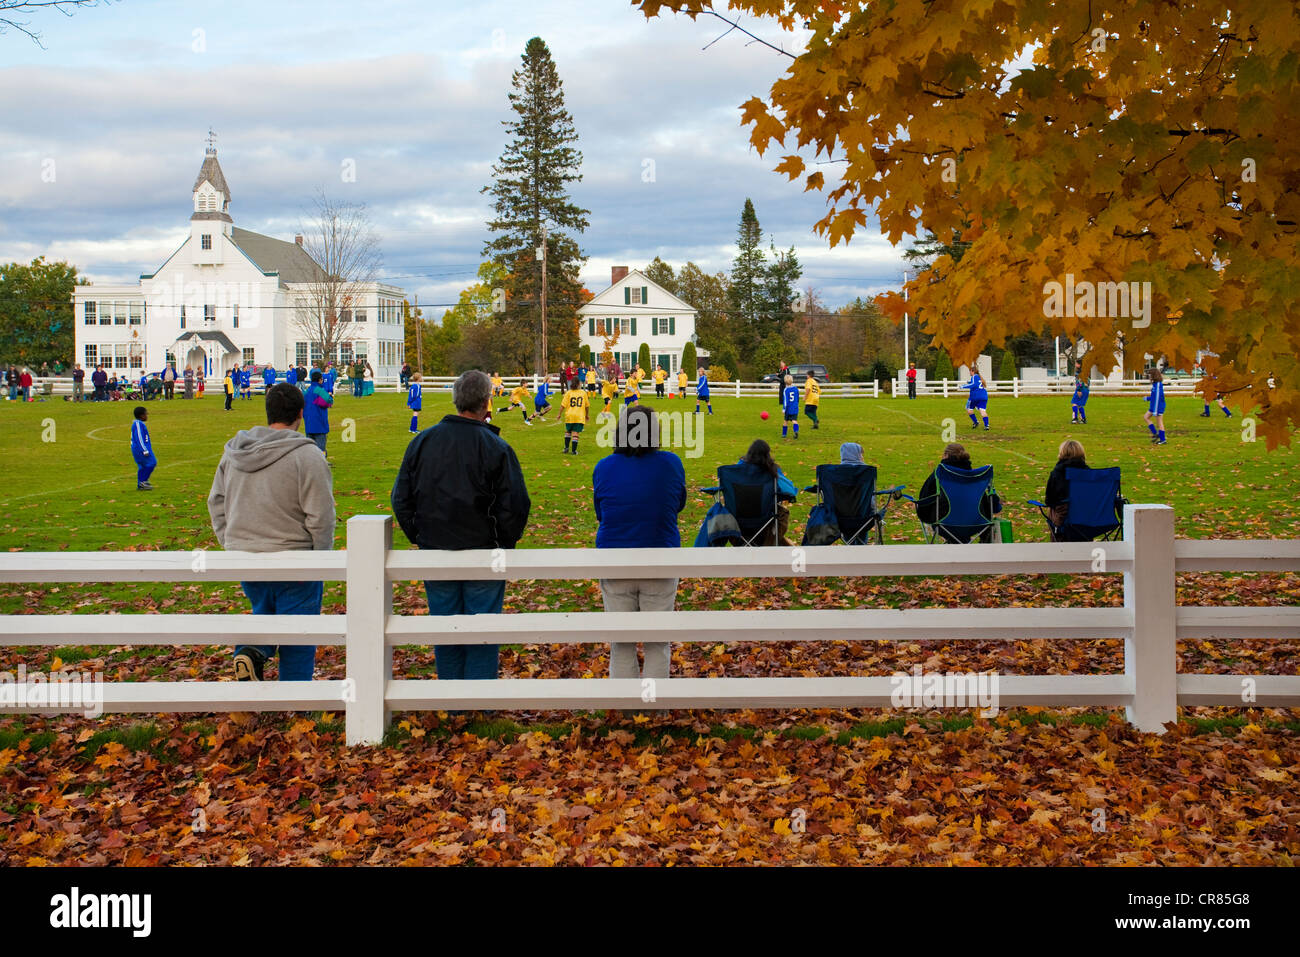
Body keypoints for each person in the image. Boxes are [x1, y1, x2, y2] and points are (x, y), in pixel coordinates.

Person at [391, 369, 531, 682]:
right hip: (480, 552)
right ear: (486, 402)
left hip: (440, 550)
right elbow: (516, 505)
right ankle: (474, 705)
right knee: (480, 631)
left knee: (447, 629)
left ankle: (457, 702)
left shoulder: (423, 442)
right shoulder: (495, 447)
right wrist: (501, 542)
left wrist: (422, 536)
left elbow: (402, 498)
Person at [208, 382, 336, 681]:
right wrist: (320, 559)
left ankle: (251, 651)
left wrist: (232, 542)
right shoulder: (307, 456)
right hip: (293, 558)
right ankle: (295, 703)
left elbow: (216, 501)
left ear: (268, 412)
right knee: (299, 635)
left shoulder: (234, 454)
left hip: (247, 558)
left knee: (264, 613)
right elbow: (321, 515)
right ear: (301, 414)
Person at [593, 404, 686, 682]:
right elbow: (678, 504)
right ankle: (653, 710)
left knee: (621, 642)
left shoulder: (605, 467)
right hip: (660, 558)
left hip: (615, 560)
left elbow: (601, 512)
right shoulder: (671, 464)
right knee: (657, 642)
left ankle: (627, 709)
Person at [914, 443, 1002, 543]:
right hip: (977, 524)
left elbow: (924, 499)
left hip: (944, 524)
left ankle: (957, 545)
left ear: (946, 455)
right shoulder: (975, 477)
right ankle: (971, 543)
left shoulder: (940, 473)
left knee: (940, 507)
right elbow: (992, 507)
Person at [739, 438, 798, 545]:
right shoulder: (771, 471)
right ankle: (767, 548)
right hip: (765, 517)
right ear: (767, 455)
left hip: (739, 518)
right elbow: (790, 491)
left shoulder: (736, 471)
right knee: (782, 514)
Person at [1044, 439, 1089, 538]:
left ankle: (1056, 539)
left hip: (1065, 516)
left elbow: (1049, 500)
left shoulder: (1057, 473)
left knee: (1053, 509)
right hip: (1088, 516)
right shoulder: (1089, 473)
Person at [304, 369, 333, 454]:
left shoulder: (307, 391)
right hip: (319, 423)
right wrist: (329, 396)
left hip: (308, 423)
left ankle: (310, 464)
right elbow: (328, 402)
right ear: (320, 380)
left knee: (310, 448)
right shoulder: (319, 390)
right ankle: (322, 463)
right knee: (321, 448)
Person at [130, 406, 157, 491]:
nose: (147, 416)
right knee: (152, 462)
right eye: (146, 414)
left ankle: (141, 484)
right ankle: (143, 481)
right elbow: (139, 438)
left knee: (142, 466)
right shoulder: (138, 424)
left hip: (139, 448)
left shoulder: (139, 424)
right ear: (141, 415)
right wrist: (144, 450)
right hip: (140, 449)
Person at [562, 377, 589, 454]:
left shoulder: (568, 393)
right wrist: (587, 415)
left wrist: (559, 414)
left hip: (569, 415)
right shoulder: (583, 393)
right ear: (578, 384)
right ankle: (573, 451)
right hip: (579, 416)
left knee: (568, 431)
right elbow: (587, 406)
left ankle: (566, 448)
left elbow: (562, 405)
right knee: (575, 433)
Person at [1143, 367, 1167, 445]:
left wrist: (1156, 410)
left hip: (1158, 407)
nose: (1149, 377)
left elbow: (1158, 397)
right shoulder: (1155, 384)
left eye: (1150, 375)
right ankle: (1155, 434)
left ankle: (1163, 440)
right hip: (1154, 406)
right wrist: (1148, 398)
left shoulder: (1158, 385)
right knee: (1146, 417)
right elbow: (1154, 396)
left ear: (1153, 375)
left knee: (1159, 422)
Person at [781, 374, 800, 439]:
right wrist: (797, 404)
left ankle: (784, 434)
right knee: (794, 420)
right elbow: (797, 397)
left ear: (785, 382)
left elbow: (785, 401)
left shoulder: (786, 390)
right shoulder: (796, 388)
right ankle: (796, 431)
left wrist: (784, 409)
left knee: (785, 421)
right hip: (795, 407)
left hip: (788, 409)